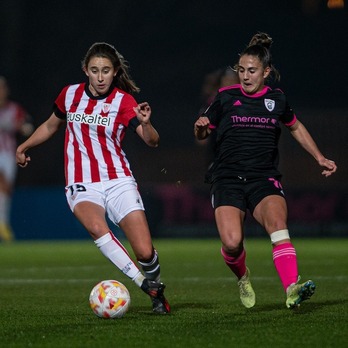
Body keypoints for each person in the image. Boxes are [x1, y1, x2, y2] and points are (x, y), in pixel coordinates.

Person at [16, 42, 170, 314]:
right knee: (98, 228)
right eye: (95, 70)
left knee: (145, 252)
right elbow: (51, 125)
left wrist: (146, 123)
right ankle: (145, 285)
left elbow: (152, 141)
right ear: (86, 70)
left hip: (118, 180)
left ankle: (155, 285)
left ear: (115, 72)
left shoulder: (124, 102)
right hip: (81, 183)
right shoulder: (70, 94)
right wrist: (25, 145)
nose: (100, 77)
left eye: (106, 71)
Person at [194, 32, 337, 309]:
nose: (245, 76)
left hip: (264, 178)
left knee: (278, 228)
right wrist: (200, 128)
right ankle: (242, 275)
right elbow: (202, 133)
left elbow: (295, 126)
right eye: (241, 70)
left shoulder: (277, 99)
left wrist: (319, 157)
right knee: (233, 243)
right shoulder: (224, 97)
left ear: (266, 72)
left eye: (252, 71)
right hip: (227, 178)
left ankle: (292, 289)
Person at [0, 76, 33, 242]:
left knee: (5, 190)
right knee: (2, 183)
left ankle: (3, 224)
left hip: (8, 154)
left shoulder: (14, 109)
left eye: (2, 88)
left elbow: (27, 126)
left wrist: (23, 128)